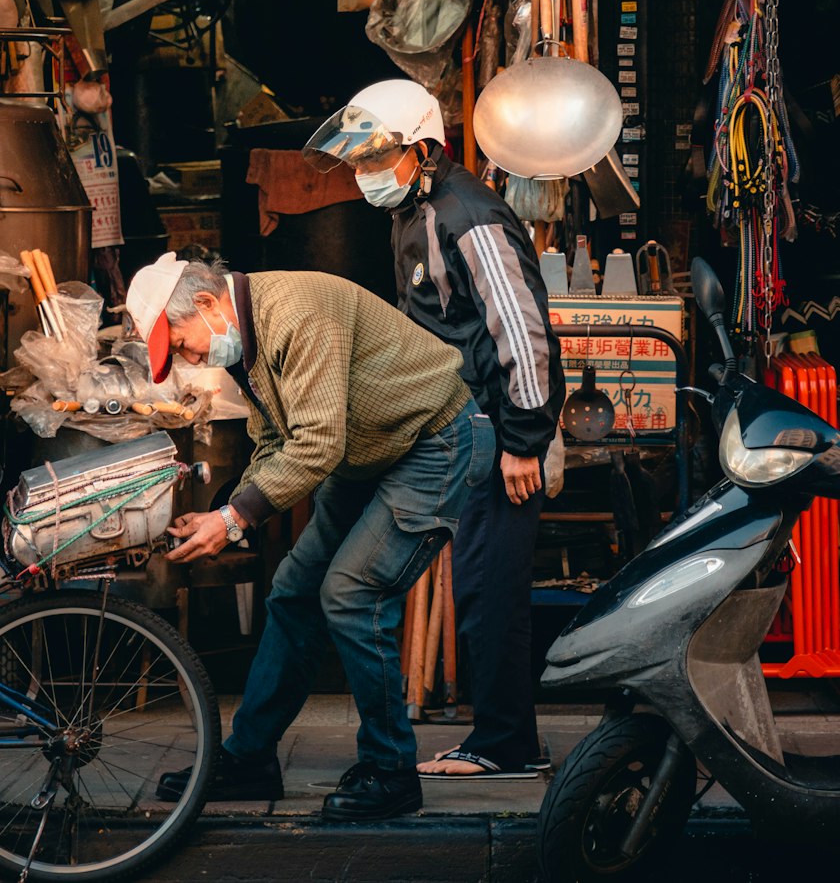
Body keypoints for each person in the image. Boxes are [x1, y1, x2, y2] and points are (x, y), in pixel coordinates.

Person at [124, 252, 495, 820]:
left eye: (178, 344)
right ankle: (249, 758)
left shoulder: (295, 310)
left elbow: (317, 442)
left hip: (434, 443)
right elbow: (276, 441)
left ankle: (390, 770)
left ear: (205, 303)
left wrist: (233, 520)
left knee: (352, 594)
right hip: (370, 454)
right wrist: (229, 512)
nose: (186, 359)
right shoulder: (245, 342)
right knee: (293, 593)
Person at [304, 79, 565, 780]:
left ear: (421, 150)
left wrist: (522, 442)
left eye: (373, 160)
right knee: (477, 587)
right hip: (455, 430)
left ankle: (507, 745)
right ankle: (497, 739)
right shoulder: (416, 211)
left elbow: (521, 332)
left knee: (491, 589)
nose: (363, 177)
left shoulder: (468, 216)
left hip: (497, 432)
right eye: (356, 163)